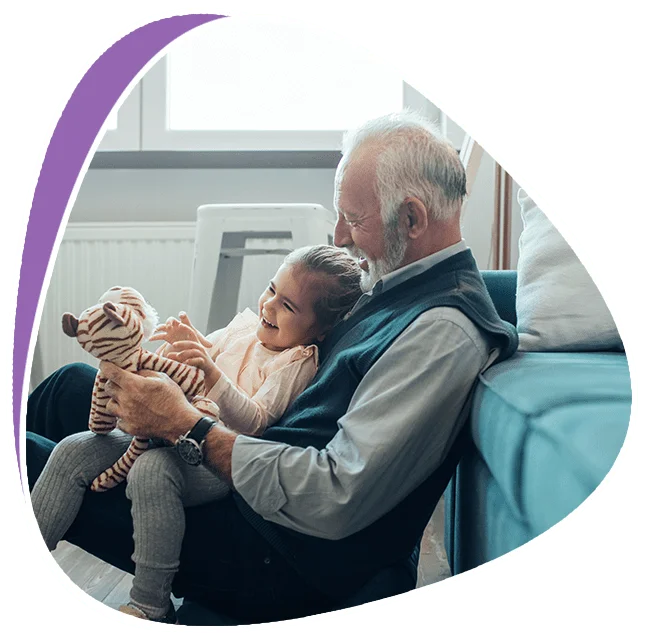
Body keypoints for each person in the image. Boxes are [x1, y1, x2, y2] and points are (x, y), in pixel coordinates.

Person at [27, 111, 518, 625]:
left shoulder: (441, 334)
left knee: (42, 462)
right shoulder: (399, 280)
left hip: (276, 553)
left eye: (353, 219)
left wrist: (186, 425)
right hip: (255, 489)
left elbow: (334, 494)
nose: (339, 236)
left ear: (412, 219)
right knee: (69, 387)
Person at [30, 245, 363, 623]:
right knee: (74, 450)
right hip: (172, 429)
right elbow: (205, 354)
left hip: (216, 459)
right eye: (271, 290)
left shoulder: (296, 362)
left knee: (151, 470)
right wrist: (188, 342)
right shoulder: (245, 328)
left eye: (288, 306)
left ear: (320, 329)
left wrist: (211, 372)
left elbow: (256, 421)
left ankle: (150, 602)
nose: (269, 306)